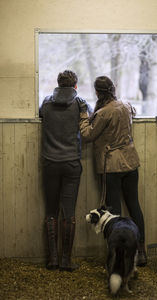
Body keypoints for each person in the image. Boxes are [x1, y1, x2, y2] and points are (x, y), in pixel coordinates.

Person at [78, 75, 147, 266]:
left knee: (114, 212)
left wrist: (84, 115)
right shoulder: (124, 105)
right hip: (131, 162)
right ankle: (141, 251)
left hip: (111, 166)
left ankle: (118, 255)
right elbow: (132, 110)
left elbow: (87, 135)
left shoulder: (103, 113)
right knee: (134, 206)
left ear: (97, 92)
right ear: (113, 89)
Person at [39, 70, 90, 271]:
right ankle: (66, 261)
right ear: (75, 86)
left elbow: (41, 115)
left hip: (50, 163)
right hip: (71, 164)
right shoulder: (81, 103)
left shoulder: (46, 102)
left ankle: (52, 259)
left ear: (58, 84)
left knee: (51, 211)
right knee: (68, 212)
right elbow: (88, 122)